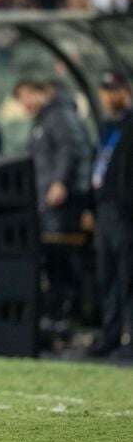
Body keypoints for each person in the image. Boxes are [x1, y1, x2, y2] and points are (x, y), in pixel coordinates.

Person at [14, 78, 91, 326]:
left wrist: (60, 182)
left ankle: (69, 315)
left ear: (40, 91)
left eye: (24, 95)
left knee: (62, 258)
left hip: (61, 205)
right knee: (52, 260)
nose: (22, 103)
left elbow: (71, 149)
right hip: (45, 202)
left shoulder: (59, 116)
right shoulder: (44, 119)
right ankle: (57, 314)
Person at [88, 71, 133, 358]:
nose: (106, 96)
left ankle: (129, 339)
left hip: (126, 211)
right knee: (108, 274)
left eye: (112, 90)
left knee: (128, 275)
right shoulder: (107, 127)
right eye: (104, 90)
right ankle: (111, 334)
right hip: (105, 210)